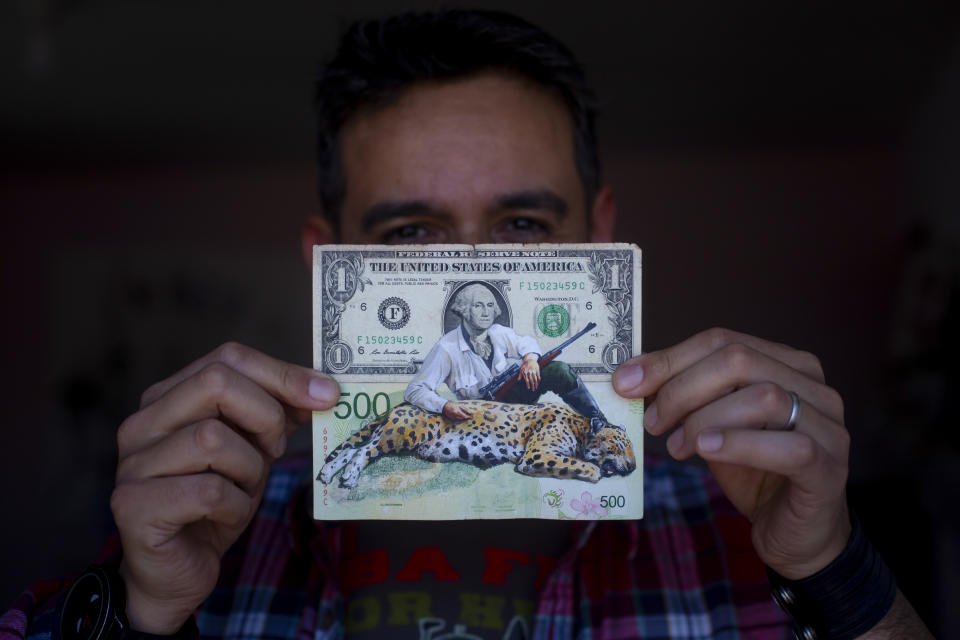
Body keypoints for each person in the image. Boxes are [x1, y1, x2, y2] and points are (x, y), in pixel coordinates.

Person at [3, 9, 932, 640]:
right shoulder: (219, 527)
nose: (480, 274)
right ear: (329, 261)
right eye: (411, 231)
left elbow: (552, 394)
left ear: (599, 234)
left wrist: (831, 566)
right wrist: (137, 609)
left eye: (523, 225)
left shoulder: (737, 517)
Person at [404, 282, 607, 427]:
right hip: (479, 416)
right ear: (464, 310)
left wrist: (530, 359)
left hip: (511, 397)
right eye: (478, 305)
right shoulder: (446, 348)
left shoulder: (498, 332)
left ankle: (598, 421)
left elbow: (525, 342)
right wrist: (445, 405)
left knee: (558, 370)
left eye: (490, 305)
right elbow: (415, 389)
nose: (486, 312)